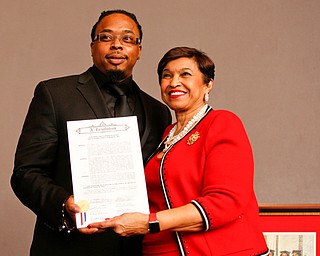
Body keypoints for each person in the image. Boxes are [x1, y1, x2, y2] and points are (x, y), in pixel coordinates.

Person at [11, 9, 171, 256]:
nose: (117, 45)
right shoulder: (55, 95)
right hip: (69, 248)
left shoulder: (159, 112)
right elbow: (26, 173)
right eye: (106, 37)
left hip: (136, 249)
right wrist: (64, 204)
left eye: (128, 39)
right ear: (92, 46)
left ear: (139, 51)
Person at [88, 47, 269, 256]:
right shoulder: (166, 133)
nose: (174, 82)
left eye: (185, 74)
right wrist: (94, 212)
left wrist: (150, 223)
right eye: (167, 75)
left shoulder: (222, 123)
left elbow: (224, 203)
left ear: (207, 84)